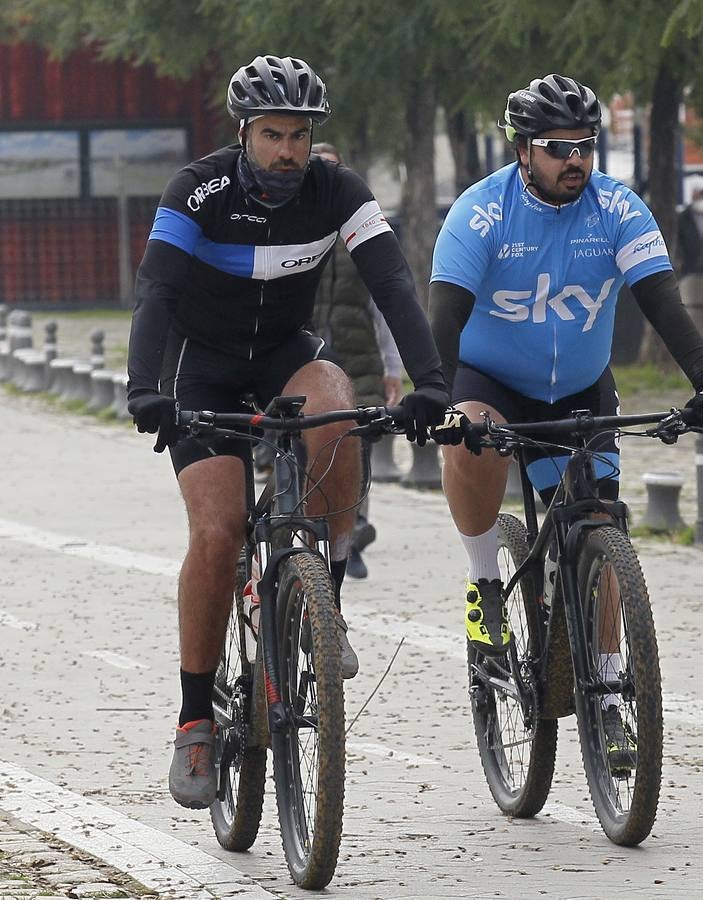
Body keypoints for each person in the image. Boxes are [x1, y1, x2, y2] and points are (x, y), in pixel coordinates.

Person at [126, 55, 449, 809]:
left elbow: (394, 283)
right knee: (218, 534)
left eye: (300, 136)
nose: (288, 151)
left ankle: (322, 604)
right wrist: (145, 389)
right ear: (244, 134)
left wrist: (432, 382)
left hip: (286, 357)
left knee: (337, 408)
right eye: (273, 134)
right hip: (201, 373)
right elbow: (156, 290)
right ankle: (195, 716)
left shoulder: (338, 191)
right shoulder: (197, 191)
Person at [427, 73, 703, 762]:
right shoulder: (481, 213)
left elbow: (662, 300)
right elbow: (442, 321)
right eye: (559, 147)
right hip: (492, 379)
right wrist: (439, 402)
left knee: (597, 525)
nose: (576, 161)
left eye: (586, 147)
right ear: (523, 151)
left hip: (579, 388)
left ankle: (605, 689)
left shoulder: (617, 208)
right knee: (472, 440)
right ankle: (484, 584)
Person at [309, 141, 405, 580]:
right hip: (304, 366)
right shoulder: (294, 236)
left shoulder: (361, 239)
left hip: (357, 364)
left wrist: (392, 369)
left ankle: (355, 534)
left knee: (357, 452)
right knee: (302, 449)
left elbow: (384, 310)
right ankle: (310, 534)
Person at [675, 176, 703, 274]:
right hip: (689, 268)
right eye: (697, 196)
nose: (700, 200)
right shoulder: (683, 218)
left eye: (701, 196)